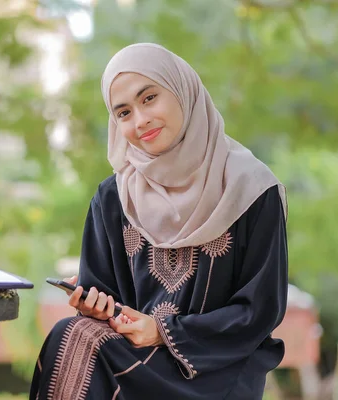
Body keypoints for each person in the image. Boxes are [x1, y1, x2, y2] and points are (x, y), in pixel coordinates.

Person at [29, 43, 288, 400]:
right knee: (70, 334)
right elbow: (104, 296)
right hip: (136, 359)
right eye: (123, 113)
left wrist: (165, 331)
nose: (140, 121)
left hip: (219, 367)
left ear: (182, 91)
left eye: (149, 98)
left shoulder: (251, 188)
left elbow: (260, 310)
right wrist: (98, 306)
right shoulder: (114, 197)